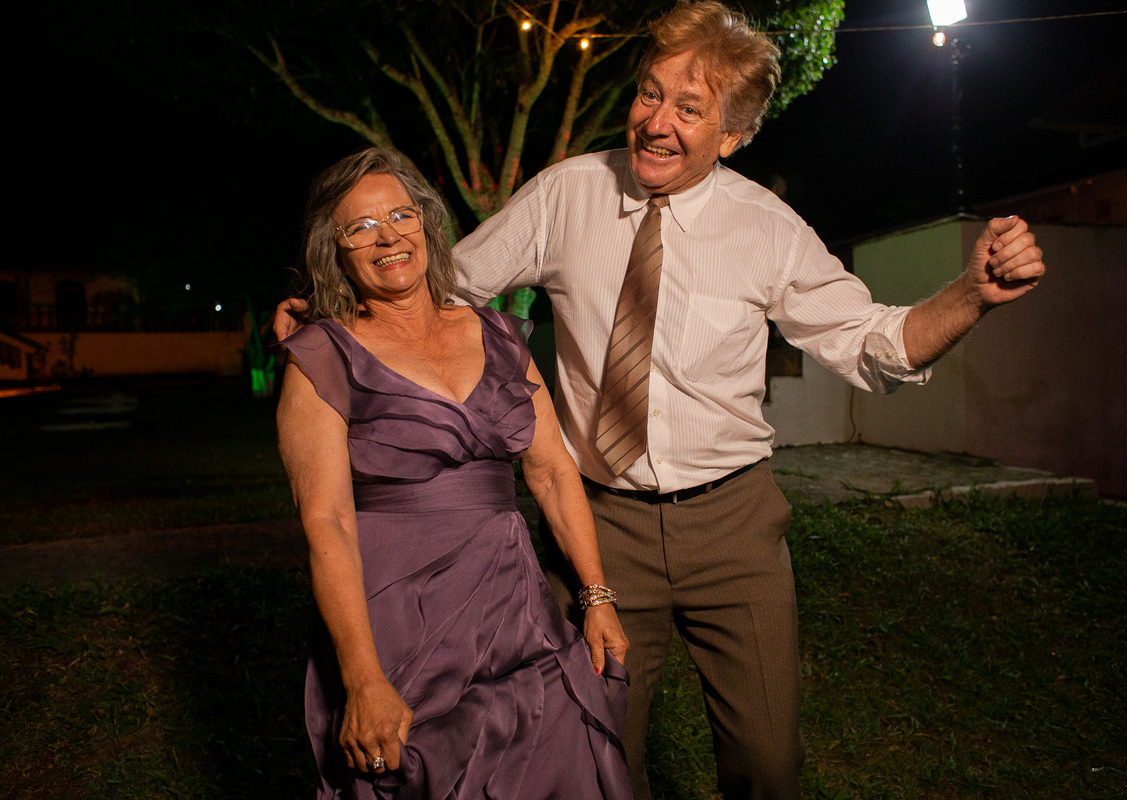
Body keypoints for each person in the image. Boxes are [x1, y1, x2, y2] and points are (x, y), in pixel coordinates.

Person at [277, 3, 1046, 797]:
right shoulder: (567, 194)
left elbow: (872, 344)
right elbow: (442, 288)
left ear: (734, 135)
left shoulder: (766, 228)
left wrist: (972, 296)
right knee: (601, 754)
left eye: (690, 108)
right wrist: (319, 311)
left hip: (733, 526)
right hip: (599, 524)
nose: (657, 123)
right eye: (650, 95)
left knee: (769, 764)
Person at [275, 148, 633, 799]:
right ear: (336, 250)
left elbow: (551, 472)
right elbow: (325, 522)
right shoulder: (321, 359)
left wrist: (596, 595)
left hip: (517, 607)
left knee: (558, 763)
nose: (388, 236)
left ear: (428, 224)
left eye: (400, 215)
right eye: (361, 227)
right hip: (398, 622)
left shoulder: (499, 335)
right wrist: (360, 678)